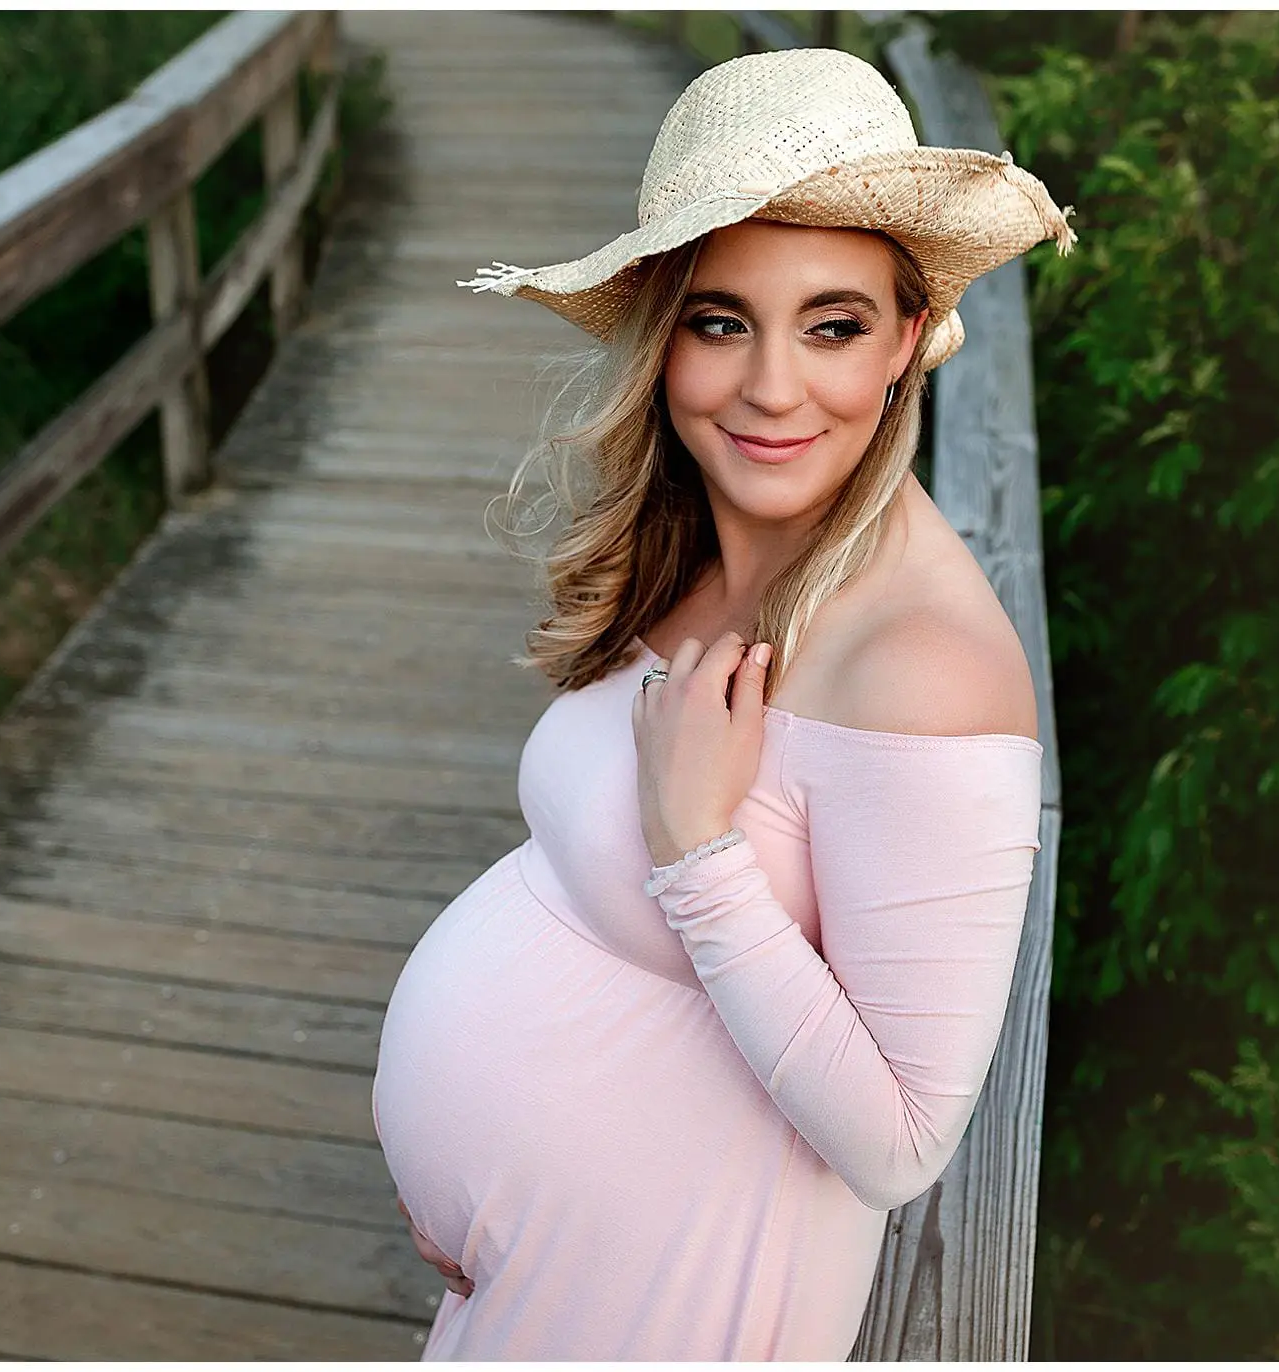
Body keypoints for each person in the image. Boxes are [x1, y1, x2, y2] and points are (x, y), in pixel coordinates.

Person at [370, 43, 1074, 1361]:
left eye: (833, 325)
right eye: (720, 320)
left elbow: (904, 1141)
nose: (768, 387)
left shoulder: (922, 667)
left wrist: (700, 851)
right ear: (662, 328)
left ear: (909, 337)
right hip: (551, 1292)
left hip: (676, 1302)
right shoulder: (709, 542)